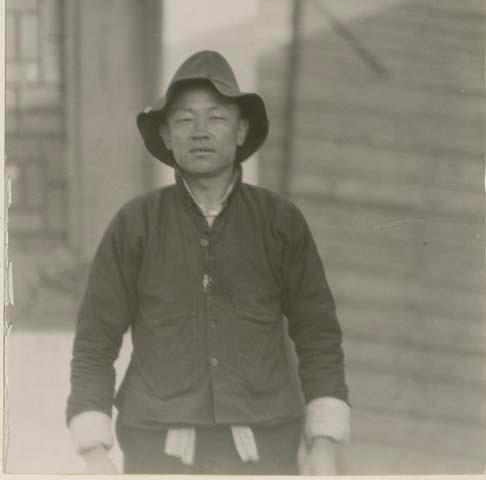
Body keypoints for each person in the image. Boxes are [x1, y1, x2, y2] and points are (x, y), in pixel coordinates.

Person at [66, 50, 350, 475]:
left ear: (241, 130)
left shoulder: (279, 221)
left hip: (266, 442)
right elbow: (95, 341)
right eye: (184, 119)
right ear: (165, 133)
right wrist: (93, 451)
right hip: (156, 444)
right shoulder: (135, 225)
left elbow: (318, 333)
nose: (200, 131)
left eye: (216, 118)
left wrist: (325, 441)